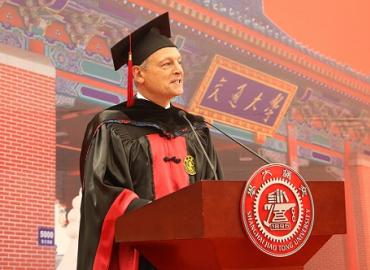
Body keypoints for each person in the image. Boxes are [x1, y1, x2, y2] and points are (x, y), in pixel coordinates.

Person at [77, 12, 223, 270]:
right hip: (140, 257)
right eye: (166, 64)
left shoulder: (194, 128)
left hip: (191, 257)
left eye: (179, 62)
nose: (178, 70)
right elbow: (101, 193)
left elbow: (214, 193)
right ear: (139, 75)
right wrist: (158, 216)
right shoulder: (113, 126)